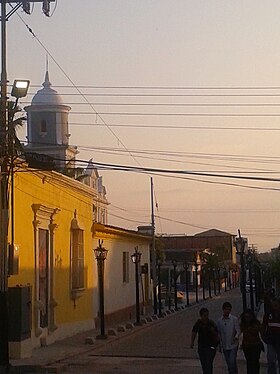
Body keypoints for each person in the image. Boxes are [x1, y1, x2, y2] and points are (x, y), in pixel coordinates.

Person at [190, 307, 219, 374]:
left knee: (208, 363)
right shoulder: (198, 323)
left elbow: (217, 334)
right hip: (202, 347)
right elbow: (194, 332)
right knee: (204, 364)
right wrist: (192, 342)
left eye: (207, 315)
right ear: (201, 316)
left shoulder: (211, 323)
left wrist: (213, 332)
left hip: (211, 347)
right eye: (204, 315)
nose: (206, 317)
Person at [217, 301, 240, 374]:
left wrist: (236, 337)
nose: (227, 311)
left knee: (232, 361)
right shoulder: (219, 321)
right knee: (229, 363)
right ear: (223, 309)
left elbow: (238, 330)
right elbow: (219, 333)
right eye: (226, 309)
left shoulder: (234, 319)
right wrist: (220, 344)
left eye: (229, 310)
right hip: (224, 345)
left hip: (233, 344)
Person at [240, 308, 263, 374]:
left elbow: (259, 331)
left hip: (255, 345)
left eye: (248, 317)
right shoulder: (243, 324)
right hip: (246, 346)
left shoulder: (256, 323)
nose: (247, 319)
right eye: (246, 317)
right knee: (249, 362)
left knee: (255, 362)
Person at [262, 297, 280, 374]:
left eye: (276, 305)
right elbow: (263, 326)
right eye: (273, 305)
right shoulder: (268, 314)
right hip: (271, 340)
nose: (274, 307)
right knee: (271, 360)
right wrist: (264, 337)